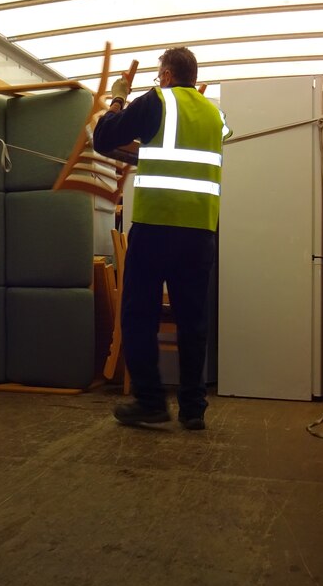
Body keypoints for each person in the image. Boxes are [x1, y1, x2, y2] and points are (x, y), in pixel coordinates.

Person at [92, 47, 230, 430]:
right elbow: (182, 157)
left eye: (158, 76)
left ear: (167, 75)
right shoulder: (214, 115)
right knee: (193, 320)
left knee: (139, 313)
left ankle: (151, 401)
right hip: (201, 231)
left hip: (155, 228)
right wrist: (145, 155)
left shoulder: (157, 101)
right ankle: (193, 409)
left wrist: (118, 96)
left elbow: (103, 137)